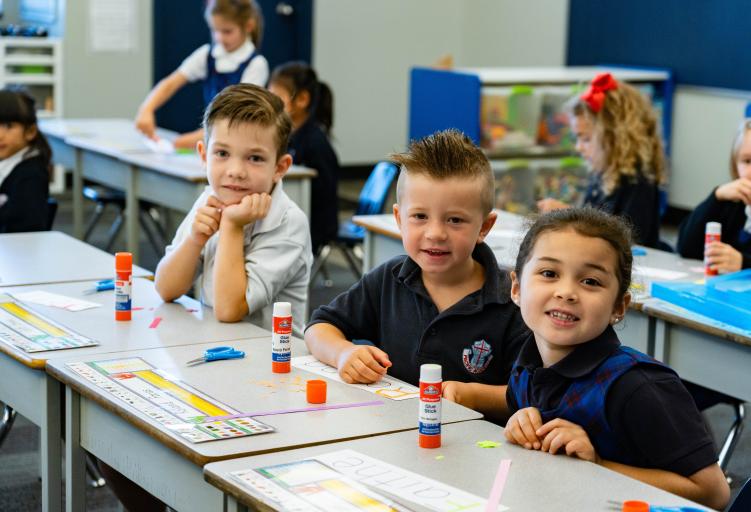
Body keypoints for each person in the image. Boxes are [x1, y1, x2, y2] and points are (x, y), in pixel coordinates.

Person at [502, 207, 729, 510]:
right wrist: (519, 423)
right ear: (516, 288)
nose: (567, 292)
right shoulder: (526, 364)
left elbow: (713, 492)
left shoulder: (639, 387)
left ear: (619, 307)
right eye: (549, 274)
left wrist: (597, 464)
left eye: (591, 282)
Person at [305, 129, 529, 419]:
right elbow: (319, 326)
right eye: (420, 217)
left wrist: (471, 395)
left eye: (455, 220)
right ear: (399, 219)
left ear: (484, 227)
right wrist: (343, 353)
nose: (435, 233)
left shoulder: (513, 302)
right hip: (397, 439)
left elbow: (532, 391)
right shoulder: (389, 278)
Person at [155, 83, 312, 334]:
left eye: (255, 158)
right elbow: (166, 288)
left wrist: (231, 225)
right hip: (216, 344)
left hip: (272, 360)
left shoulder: (288, 222)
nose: (235, 171)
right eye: (222, 153)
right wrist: (195, 240)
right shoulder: (211, 198)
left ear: (280, 167)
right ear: (204, 155)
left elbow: (229, 309)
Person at [537, 73, 666, 248]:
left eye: (586, 139)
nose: (579, 147)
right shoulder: (602, 173)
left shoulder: (638, 181)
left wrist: (570, 215)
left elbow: (626, 242)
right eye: (578, 139)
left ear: (617, 138)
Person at [135, 0, 268, 149]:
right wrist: (146, 109)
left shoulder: (256, 64)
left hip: (237, 146)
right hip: (211, 140)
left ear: (248, 26)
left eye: (227, 31)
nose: (219, 38)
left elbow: (236, 118)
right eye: (214, 30)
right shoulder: (207, 54)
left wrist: (188, 140)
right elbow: (171, 83)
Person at [269, 61, 339, 254]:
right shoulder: (290, 137)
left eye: (277, 98)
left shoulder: (314, 142)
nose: (271, 105)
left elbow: (320, 196)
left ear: (301, 100)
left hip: (313, 224)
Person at [676, 119, 751, 272]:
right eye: (747, 161)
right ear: (735, 166)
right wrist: (716, 197)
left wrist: (744, 263)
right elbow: (686, 247)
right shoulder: (733, 202)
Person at [0, 88, 51, 233]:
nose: (0, 135)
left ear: (30, 132)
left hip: (16, 249)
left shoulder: (30, 174)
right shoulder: (6, 161)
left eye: (8, 126)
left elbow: (25, 228)